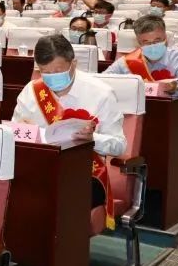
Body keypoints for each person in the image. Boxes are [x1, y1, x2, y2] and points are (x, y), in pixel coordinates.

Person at [12, 35, 127, 227]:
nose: (51, 77)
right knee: (12, 191)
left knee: (50, 197)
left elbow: (119, 146)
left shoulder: (100, 93)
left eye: (58, 71)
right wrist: (22, 129)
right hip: (40, 169)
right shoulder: (31, 91)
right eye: (45, 72)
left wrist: (92, 138)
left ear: (73, 64)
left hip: (84, 174)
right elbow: (14, 133)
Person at [105, 15, 178, 97]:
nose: (152, 46)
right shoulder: (128, 61)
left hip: (170, 107)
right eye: (146, 42)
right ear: (138, 42)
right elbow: (103, 80)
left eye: (157, 41)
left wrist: (174, 88)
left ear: (165, 38)